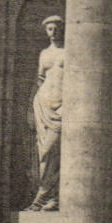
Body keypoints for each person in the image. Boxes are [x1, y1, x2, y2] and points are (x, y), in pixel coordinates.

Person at [27, 15, 65, 211]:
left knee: (52, 151)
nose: (54, 32)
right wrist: (29, 108)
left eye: (57, 28)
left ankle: (45, 197)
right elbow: (40, 80)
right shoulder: (44, 54)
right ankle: (48, 196)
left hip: (60, 108)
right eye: (50, 29)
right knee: (42, 153)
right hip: (42, 105)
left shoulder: (69, 52)